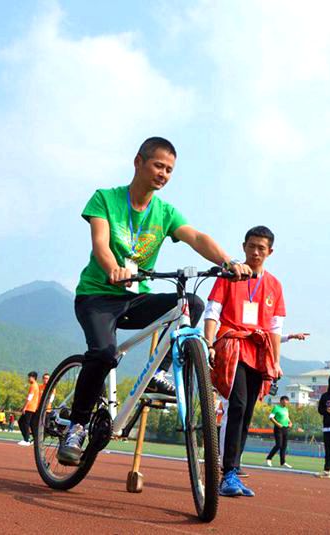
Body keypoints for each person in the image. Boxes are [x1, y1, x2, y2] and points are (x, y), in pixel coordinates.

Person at [58, 136, 251, 465]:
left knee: (191, 303)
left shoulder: (165, 212)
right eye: (158, 166)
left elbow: (196, 237)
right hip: (97, 296)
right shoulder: (105, 199)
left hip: (135, 299)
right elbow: (101, 243)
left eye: (170, 170)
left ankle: (159, 374)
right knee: (103, 353)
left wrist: (227, 261)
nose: (163, 174)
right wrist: (113, 268)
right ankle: (76, 426)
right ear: (139, 162)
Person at [205, 225, 285, 497]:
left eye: (262, 248)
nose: (256, 252)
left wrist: (275, 362)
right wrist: (209, 343)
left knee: (248, 410)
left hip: (259, 352)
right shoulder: (229, 275)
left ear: (270, 252)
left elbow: (275, 328)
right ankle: (226, 472)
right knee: (237, 404)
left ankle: (233, 470)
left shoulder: (274, 285)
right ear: (243, 247)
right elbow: (212, 311)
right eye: (251, 246)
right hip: (232, 346)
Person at [266, 395, 293, 468]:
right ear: (281, 401)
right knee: (279, 445)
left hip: (285, 428)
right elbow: (270, 417)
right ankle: (269, 458)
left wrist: (290, 422)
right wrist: (278, 424)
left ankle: (283, 462)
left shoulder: (286, 409)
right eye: (285, 401)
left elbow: (287, 417)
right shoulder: (276, 407)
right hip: (278, 428)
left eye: (287, 402)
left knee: (284, 446)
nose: (286, 403)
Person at [18, 371, 39, 446]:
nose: (28, 379)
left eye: (29, 377)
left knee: (24, 423)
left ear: (33, 377)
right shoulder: (35, 385)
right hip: (31, 407)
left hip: (30, 407)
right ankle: (28, 439)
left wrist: (24, 407)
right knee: (23, 422)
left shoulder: (33, 386)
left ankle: (26, 440)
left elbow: (29, 397)